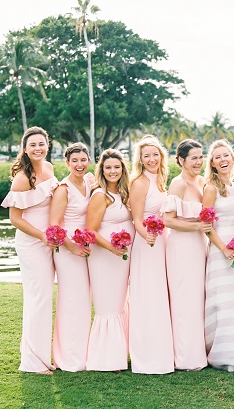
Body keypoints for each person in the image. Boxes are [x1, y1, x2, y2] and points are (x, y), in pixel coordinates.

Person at [1, 127, 58, 374]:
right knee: (39, 298)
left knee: (45, 299)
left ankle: (41, 355)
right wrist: (42, 236)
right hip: (32, 243)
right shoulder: (23, 178)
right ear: (24, 149)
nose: (38, 148)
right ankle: (33, 363)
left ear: (48, 146)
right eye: (32, 144)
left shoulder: (50, 169)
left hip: (49, 241)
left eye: (41, 144)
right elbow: (15, 218)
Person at [202, 139, 234, 371]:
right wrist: (223, 247)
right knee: (222, 300)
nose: (223, 160)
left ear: (233, 159)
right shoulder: (210, 189)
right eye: (217, 157)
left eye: (226, 156)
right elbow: (206, 225)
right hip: (219, 249)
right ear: (212, 163)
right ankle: (220, 350)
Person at [162, 139, 209, 371]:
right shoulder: (177, 184)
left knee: (198, 298)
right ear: (181, 160)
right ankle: (186, 357)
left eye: (201, 157)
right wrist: (197, 227)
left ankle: (200, 350)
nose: (199, 162)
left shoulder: (201, 181)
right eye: (193, 158)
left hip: (199, 245)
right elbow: (168, 220)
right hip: (181, 246)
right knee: (184, 299)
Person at [128, 135, 174, 374]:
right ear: (141, 159)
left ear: (161, 156)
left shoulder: (161, 180)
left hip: (162, 241)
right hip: (147, 243)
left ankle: (163, 350)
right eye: (146, 155)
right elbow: (136, 218)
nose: (152, 159)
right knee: (147, 295)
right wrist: (147, 235)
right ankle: (147, 355)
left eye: (155, 154)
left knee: (160, 294)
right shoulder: (140, 182)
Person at [85, 149, 133, 371]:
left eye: (116, 167)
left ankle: (119, 353)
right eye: (108, 168)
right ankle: (105, 359)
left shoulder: (124, 193)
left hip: (122, 257)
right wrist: (113, 248)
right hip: (105, 257)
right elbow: (91, 232)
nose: (112, 171)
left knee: (120, 303)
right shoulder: (99, 195)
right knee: (108, 305)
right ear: (101, 171)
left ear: (122, 169)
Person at [48, 142, 93, 372]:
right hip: (67, 251)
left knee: (84, 302)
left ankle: (84, 352)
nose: (79, 164)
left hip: (86, 249)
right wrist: (72, 248)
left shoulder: (90, 181)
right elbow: (54, 226)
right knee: (71, 301)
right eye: (74, 161)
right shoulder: (63, 189)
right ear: (67, 163)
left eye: (83, 160)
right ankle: (69, 358)